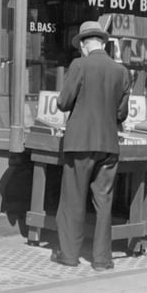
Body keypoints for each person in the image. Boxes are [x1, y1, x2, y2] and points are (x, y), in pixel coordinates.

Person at [52, 21, 131, 271]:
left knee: (73, 200)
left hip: (80, 143)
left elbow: (63, 102)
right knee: (104, 202)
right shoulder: (121, 71)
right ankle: (102, 259)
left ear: (85, 45)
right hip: (109, 144)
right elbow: (121, 113)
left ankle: (69, 255)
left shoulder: (79, 65)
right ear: (103, 44)